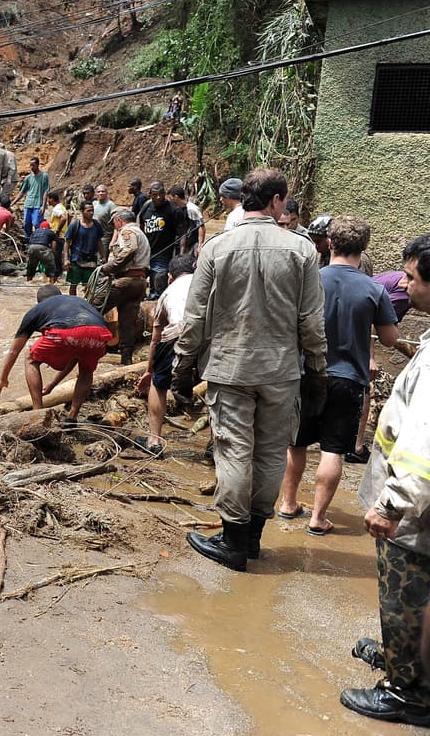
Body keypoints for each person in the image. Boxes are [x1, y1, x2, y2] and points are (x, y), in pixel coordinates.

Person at [174, 167, 326, 572]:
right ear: (277, 201)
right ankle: (254, 538)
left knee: (234, 451)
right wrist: (317, 369)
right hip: (282, 370)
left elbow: (194, 319)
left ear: (244, 200)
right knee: (272, 452)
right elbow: (311, 320)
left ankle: (234, 542)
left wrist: (182, 369)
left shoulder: (217, 249)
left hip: (230, 368)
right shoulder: (302, 250)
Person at [339, 233, 430, 727]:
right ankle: (405, 658)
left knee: (405, 593)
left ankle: (407, 690)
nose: (405, 284)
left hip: (415, 513)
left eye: (413, 278)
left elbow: (424, 445)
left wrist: (391, 503)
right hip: (418, 504)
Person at [278, 216, 399, 535]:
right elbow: (389, 338)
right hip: (349, 380)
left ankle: (288, 504)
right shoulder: (374, 289)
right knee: (333, 450)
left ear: (329, 244)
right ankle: (318, 518)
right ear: (365, 247)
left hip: (307, 373)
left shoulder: (310, 280)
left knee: (297, 444)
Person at [0, 284, 113, 424]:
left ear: (39, 302)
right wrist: (52, 384)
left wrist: (3, 379)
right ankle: (72, 417)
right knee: (86, 371)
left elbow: (14, 351)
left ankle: (38, 413)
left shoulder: (37, 310)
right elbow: (75, 355)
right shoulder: (77, 301)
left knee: (31, 359)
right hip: (100, 333)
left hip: (64, 332)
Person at [135, 253, 197, 456]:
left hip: (176, 336)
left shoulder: (167, 293)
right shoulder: (206, 283)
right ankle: (214, 444)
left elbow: (155, 338)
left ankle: (154, 441)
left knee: (159, 385)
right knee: (216, 387)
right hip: (210, 338)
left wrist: (149, 370)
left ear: (170, 276)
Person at [99, 209, 151, 364]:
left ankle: (85, 346)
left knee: (93, 307)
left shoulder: (127, 231)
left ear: (119, 220)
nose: (114, 227)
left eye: (114, 223)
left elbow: (129, 249)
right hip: (139, 281)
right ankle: (126, 358)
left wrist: (108, 268)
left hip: (126, 280)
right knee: (127, 322)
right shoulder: (140, 233)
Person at [138, 180, 182, 297]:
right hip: (146, 251)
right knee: (140, 281)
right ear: (150, 195)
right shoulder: (147, 206)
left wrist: (179, 254)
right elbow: (141, 222)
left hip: (163, 252)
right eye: (155, 195)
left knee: (159, 282)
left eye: (161, 194)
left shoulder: (173, 210)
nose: (158, 197)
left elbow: (181, 234)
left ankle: (157, 304)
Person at [64, 200, 103, 296]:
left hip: (91, 260)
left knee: (90, 285)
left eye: (92, 210)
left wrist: (104, 256)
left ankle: (88, 305)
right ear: (82, 211)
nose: (91, 213)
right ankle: (73, 304)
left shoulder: (97, 225)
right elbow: (67, 242)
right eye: (88, 211)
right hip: (76, 259)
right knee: (74, 284)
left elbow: (99, 242)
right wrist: (66, 259)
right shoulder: (75, 225)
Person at [167, 184, 206, 254]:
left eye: (170, 198)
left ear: (176, 197)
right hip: (177, 244)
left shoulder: (192, 209)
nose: (170, 201)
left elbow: (201, 226)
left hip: (191, 245)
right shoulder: (175, 209)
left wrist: (200, 245)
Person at [17, 157, 49, 238]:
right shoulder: (28, 178)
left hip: (38, 204)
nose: (31, 167)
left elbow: (45, 191)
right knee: (27, 224)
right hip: (28, 204)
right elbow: (22, 192)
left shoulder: (44, 176)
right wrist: (13, 202)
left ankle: (39, 239)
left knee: (37, 223)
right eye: (30, 165)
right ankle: (28, 240)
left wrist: (43, 206)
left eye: (33, 165)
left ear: (38, 165)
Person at [43, 190, 68, 277]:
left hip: (57, 235)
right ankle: (59, 274)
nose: (47, 201)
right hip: (62, 235)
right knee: (58, 255)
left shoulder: (57, 208)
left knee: (55, 255)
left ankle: (56, 274)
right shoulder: (62, 207)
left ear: (52, 199)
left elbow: (64, 218)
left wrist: (57, 230)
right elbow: (69, 216)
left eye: (48, 199)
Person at [92, 184, 116, 260]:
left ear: (107, 193)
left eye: (103, 191)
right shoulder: (94, 204)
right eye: (98, 192)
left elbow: (116, 222)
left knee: (102, 258)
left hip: (105, 236)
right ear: (96, 193)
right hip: (93, 234)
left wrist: (113, 239)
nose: (101, 193)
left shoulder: (111, 205)